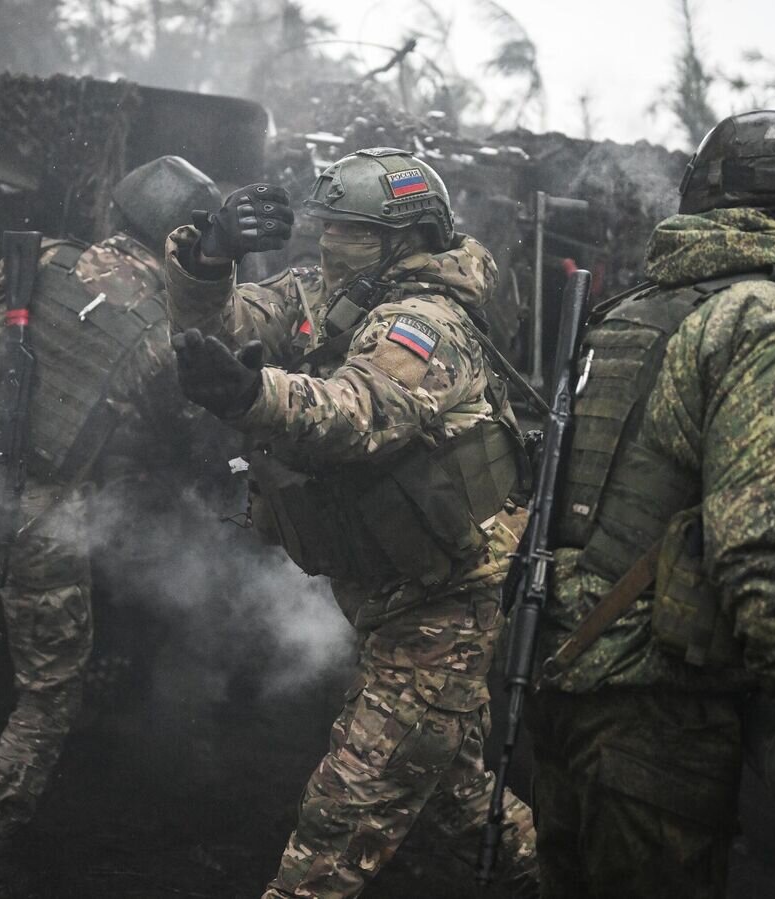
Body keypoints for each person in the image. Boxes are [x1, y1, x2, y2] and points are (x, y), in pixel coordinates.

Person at [165, 147, 538, 898]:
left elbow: (364, 412)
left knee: (337, 825)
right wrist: (210, 256)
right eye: (330, 223)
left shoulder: (428, 323)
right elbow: (227, 319)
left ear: (403, 239)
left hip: (443, 605)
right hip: (386, 593)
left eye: (353, 228)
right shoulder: (327, 292)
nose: (331, 239)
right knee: (463, 802)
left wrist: (253, 396)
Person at [0, 155, 222, 896]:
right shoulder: (160, 328)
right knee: (45, 694)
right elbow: (180, 433)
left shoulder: (38, 257)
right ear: (183, 239)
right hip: (46, 517)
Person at [528, 109, 775, 899]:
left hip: (563, 690)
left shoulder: (628, 313)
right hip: (662, 716)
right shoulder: (758, 321)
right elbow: (760, 554)